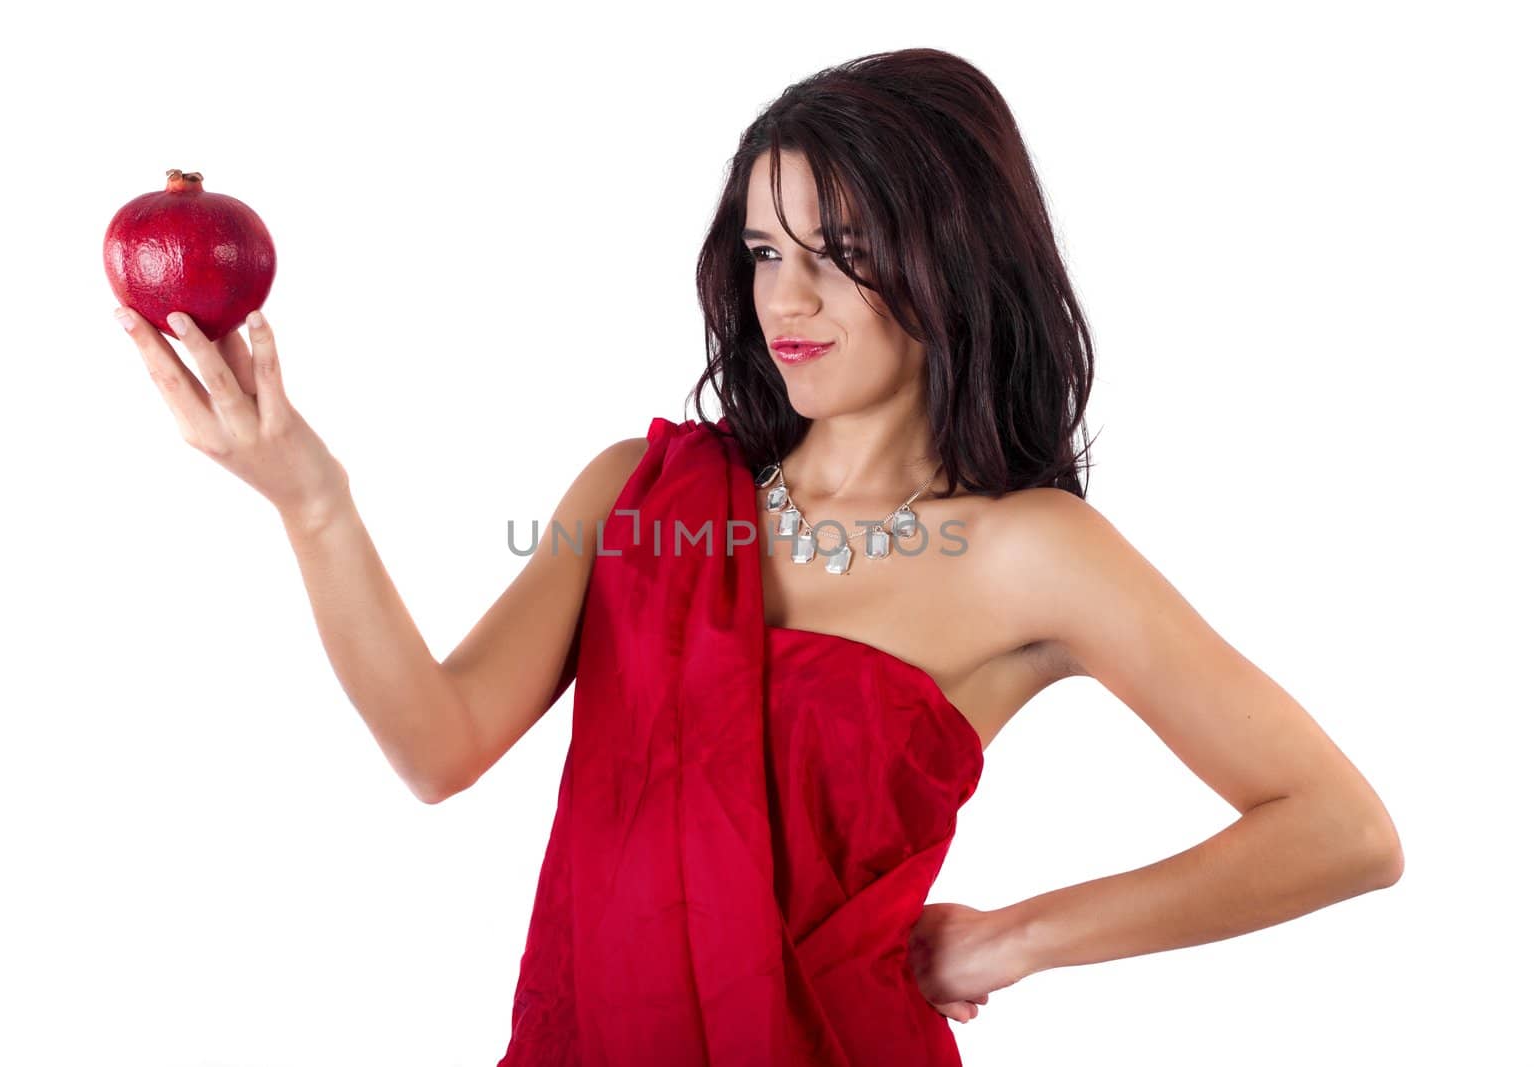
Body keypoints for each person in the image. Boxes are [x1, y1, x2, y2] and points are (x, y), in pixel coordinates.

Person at [115, 46, 1404, 1067]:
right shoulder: (644, 488)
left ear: (954, 260)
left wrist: (1012, 940)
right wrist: (313, 502)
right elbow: (437, 745)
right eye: (766, 251)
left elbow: (1342, 830)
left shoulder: (1033, 555)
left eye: (840, 258)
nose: (786, 300)